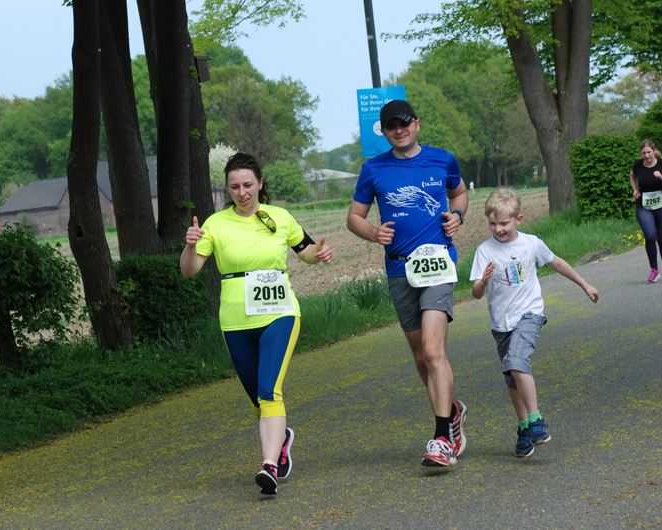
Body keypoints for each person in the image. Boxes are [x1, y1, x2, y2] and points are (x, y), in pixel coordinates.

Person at [180, 152, 332, 495]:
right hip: (235, 321)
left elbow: (305, 250)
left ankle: (269, 466)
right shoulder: (215, 224)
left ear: (260, 183)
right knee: (257, 400)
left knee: (269, 390)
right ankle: (282, 440)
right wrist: (190, 246)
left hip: (280, 313)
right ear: (228, 189)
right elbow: (189, 271)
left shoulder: (279, 216)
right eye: (234, 186)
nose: (242, 192)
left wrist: (318, 254)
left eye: (248, 184)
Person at [347, 99, 469, 467]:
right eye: (391, 126)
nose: (399, 130)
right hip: (400, 269)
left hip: (438, 264)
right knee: (420, 356)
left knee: (433, 350)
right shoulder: (373, 169)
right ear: (384, 132)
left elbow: (459, 193)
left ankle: (441, 438)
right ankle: (451, 412)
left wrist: (458, 215)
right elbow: (354, 217)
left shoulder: (442, 159)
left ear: (417, 124)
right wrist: (373, 233)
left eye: (404, 123)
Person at [470, 188, 599, 458]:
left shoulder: (531, 243)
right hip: (501, 323)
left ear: (518, 219)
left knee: (517, 362)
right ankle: (524, 428)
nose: (498, 229)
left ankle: (537, 420)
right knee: (511, 378)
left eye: (504, 223)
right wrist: (483, 281)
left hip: (529, 315)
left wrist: (585, 285)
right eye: (492, 223)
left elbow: (558, 264)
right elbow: (477, 293)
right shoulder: (484, 250)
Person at [629, 140, 662, 282]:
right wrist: (635, 190)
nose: (647, 155)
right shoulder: (638, 165)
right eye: (644, 153)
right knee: (650, 236)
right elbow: (632, 175)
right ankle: (654, 270)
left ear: (654, 151)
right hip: (644, 207)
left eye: (649, 152)